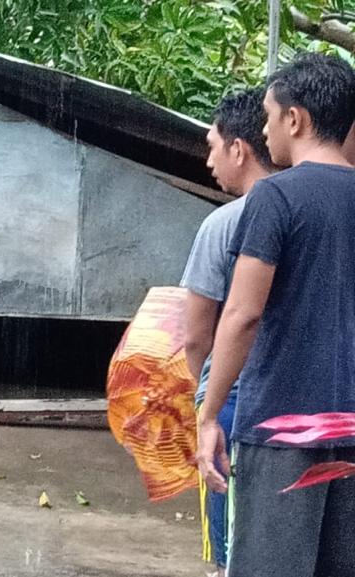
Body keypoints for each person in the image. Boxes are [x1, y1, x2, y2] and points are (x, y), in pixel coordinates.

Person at [196, 52, 355, 577]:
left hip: (282, 428)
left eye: (268, 115)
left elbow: (242, 315)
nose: (264, 130)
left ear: (297, 119)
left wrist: (207, 413)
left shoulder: (275, 198)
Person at [180, 87, 274, 577]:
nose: (209, 158)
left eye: (213, 144)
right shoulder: (326, 211)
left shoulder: (224, 225)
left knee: (229, 548)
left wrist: (207, 398)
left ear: (239, 148)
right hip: (309, 402)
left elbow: (196, 334)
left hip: (236, 398)